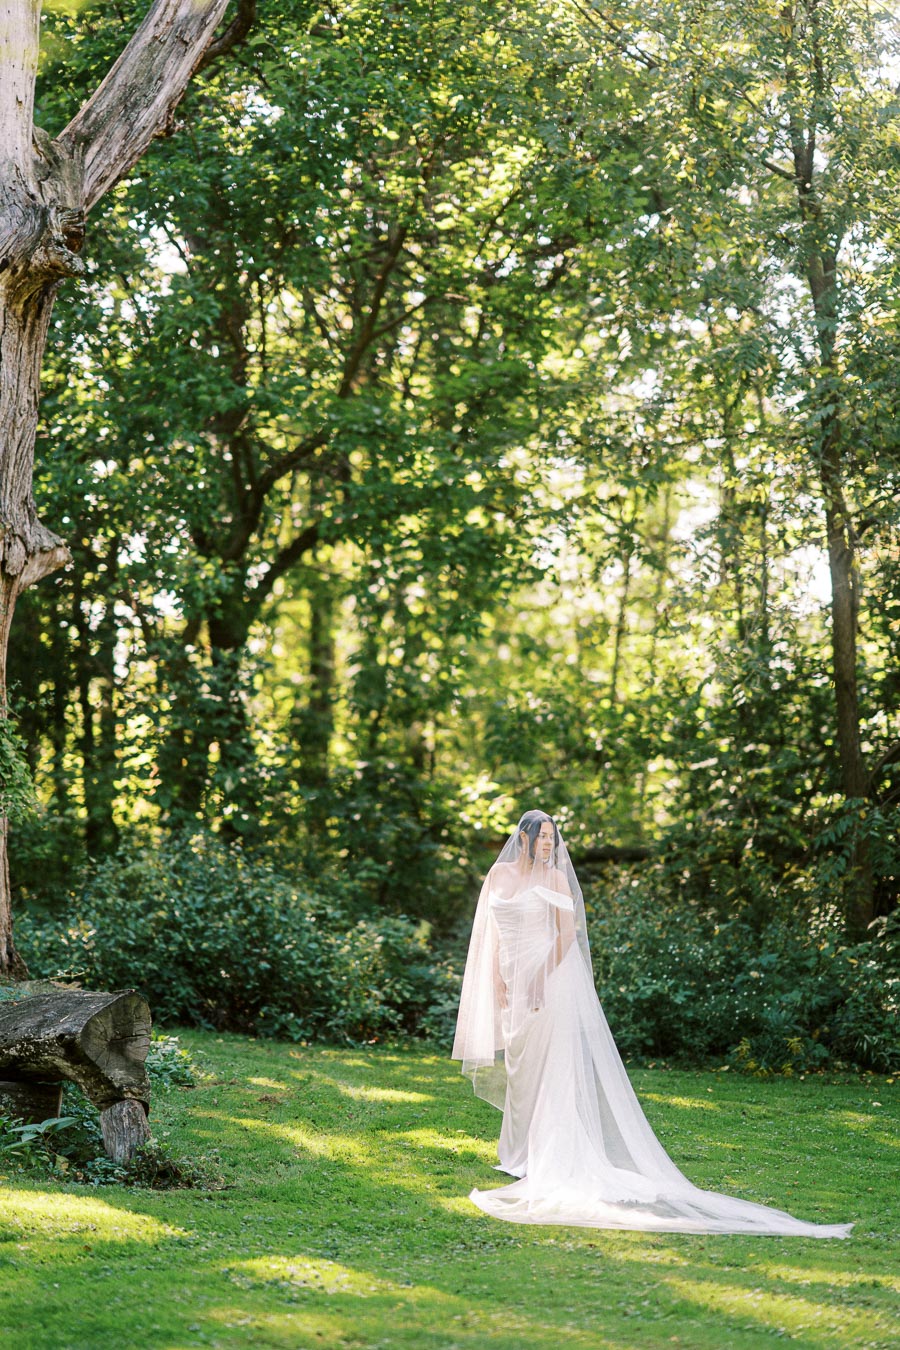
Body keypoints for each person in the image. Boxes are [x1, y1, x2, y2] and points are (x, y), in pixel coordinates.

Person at [451, 808, 853, 1236]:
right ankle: (516, 1153)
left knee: (550, 1068)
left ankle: (544, 1154)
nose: (550, 844)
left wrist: (536, 980)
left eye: (553, 836)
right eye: (543, 837)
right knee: (520, 1065)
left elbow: (566, 936)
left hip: (548, 981)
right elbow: (491, 933)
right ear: (525, 838)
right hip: (513, 978)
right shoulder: (498, 877)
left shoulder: (553, 879)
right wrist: (499, 979)